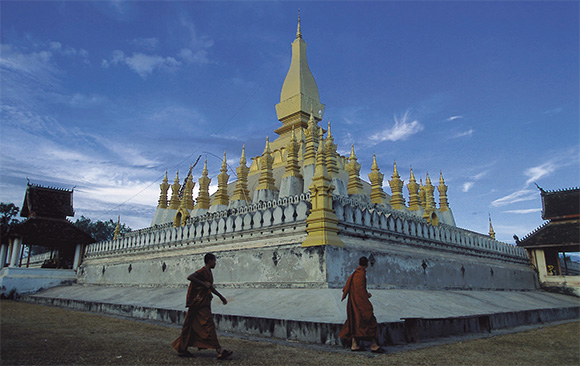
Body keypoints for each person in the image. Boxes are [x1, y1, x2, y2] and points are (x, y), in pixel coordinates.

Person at [172, 253, 233, 360]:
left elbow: (210, 287)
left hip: (203, 303)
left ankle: (182, 348)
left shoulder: (209, 272)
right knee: (208, 325)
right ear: (209, 261)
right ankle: (219, 350)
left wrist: (221, 297)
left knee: (191, 326)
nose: (215, 263)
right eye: (214, 261)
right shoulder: (203, 271)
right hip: (198, 304)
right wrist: (203, 283)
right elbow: (190, 277)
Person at [339, 256, 383, 353]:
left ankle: (355, 345)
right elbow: (360, 291)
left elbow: (359, 289)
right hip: (359, 302)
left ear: (359, 263)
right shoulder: (361, 274)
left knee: (355, 321)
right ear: (367, 264)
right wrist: (366, 302)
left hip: (354, 302)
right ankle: (374, 345)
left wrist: (366, 294)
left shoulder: (355, 274)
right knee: (370, 321)